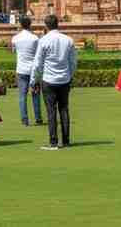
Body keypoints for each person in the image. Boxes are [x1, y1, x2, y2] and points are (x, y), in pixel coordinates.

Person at [30, 14, 78, 151]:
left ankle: (53, 142)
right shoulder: (68, 40)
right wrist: (70, 76)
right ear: (58, 24)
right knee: (64, 109)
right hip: (64, 79)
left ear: (46, 26)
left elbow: (37, 63)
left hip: (49, 80)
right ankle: (66, 140)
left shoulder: (44, 40)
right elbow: (73, 62)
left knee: (51, 111)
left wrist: (34, 80)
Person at [11, 15, 43, 127]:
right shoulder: (35, 38)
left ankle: (24, 119)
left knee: (22, 95)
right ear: (30, 24)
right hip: (33, 69)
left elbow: (13, 51)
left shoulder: (15, 38)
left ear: (20, 25)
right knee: (35, 94)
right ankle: (38, 118)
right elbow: (38, 54)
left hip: (21, 69)